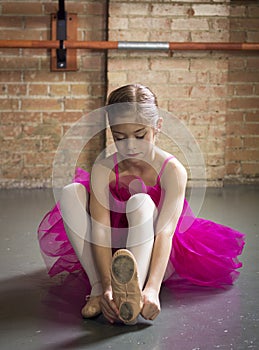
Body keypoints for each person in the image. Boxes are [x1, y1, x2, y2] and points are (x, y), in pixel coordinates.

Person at [38, 84, 245, 325]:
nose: (130, 146)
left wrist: (153, 289)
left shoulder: (172, 170)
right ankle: (100, 291)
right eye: (119, 137)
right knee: (70, 192)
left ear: (157, 126)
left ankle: (134, 292)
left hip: (158, 251)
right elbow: (102, 230)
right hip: (115, 254)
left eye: (139, 135)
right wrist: (106, 284)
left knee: (140, 202)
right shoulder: (104, 169)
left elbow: (165, 233)